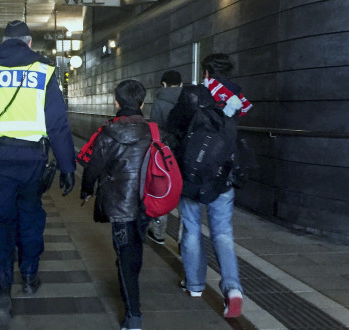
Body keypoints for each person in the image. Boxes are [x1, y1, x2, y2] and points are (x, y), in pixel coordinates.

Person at [0, 20, 76, 329]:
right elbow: (58, 124)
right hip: (33, 161)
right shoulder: (44, 72)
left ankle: (2, 293)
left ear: (3, 40)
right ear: (29, 42)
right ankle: (31, 274)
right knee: (30, 215)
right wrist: (67, 166)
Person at [164, 53, 250, 318]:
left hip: (191, 174)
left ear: (205, 72)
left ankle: (195, 285)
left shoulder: (193, 95)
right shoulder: (238, 99)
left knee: (190, 229)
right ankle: (233, 289)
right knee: (222, 233)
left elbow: (173, 129)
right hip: (221, 174)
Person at [80, 80, 152, 330]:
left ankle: (133, 316)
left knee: (125, 255)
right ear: (142, 103)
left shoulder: (107, 133)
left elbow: (93, 167)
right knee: (134, 249)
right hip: (147, 202)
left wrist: (86, 190)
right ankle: (130, 285)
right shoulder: (154, 131)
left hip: (119, 204)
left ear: (116, 102)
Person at [146, 70, 183, 245]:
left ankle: (159, 233)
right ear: (181, 84)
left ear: (163, 84)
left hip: (166, 154)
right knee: (185, 198)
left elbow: (155, 131)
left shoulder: (159, 102)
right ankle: (183, 240)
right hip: (187, 153)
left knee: (162, 190)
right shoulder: (190, 99)